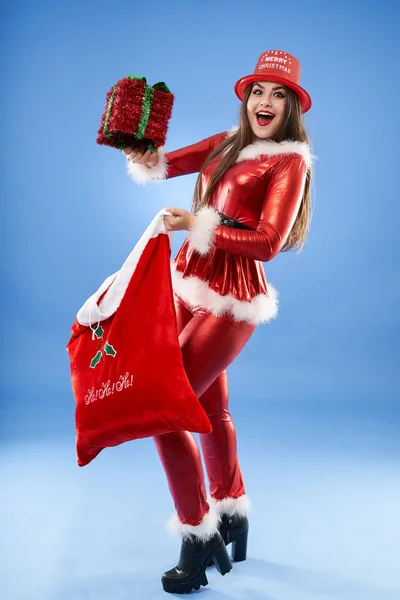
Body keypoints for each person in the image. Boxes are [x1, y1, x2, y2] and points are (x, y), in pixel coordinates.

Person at [123, 49, 314, 594]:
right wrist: (143, 153)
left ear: (292, 108)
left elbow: (268, 243)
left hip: (232, 298)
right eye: (259, 90)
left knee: (163, 409)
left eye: (279, 95)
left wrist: (196, 222)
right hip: (189, 281)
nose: (265, 102)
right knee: (211, 408)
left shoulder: (290, 162)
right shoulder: (229, 144)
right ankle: (232, 513)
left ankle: (196, 533)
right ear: (246, 96)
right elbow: (167, 163)